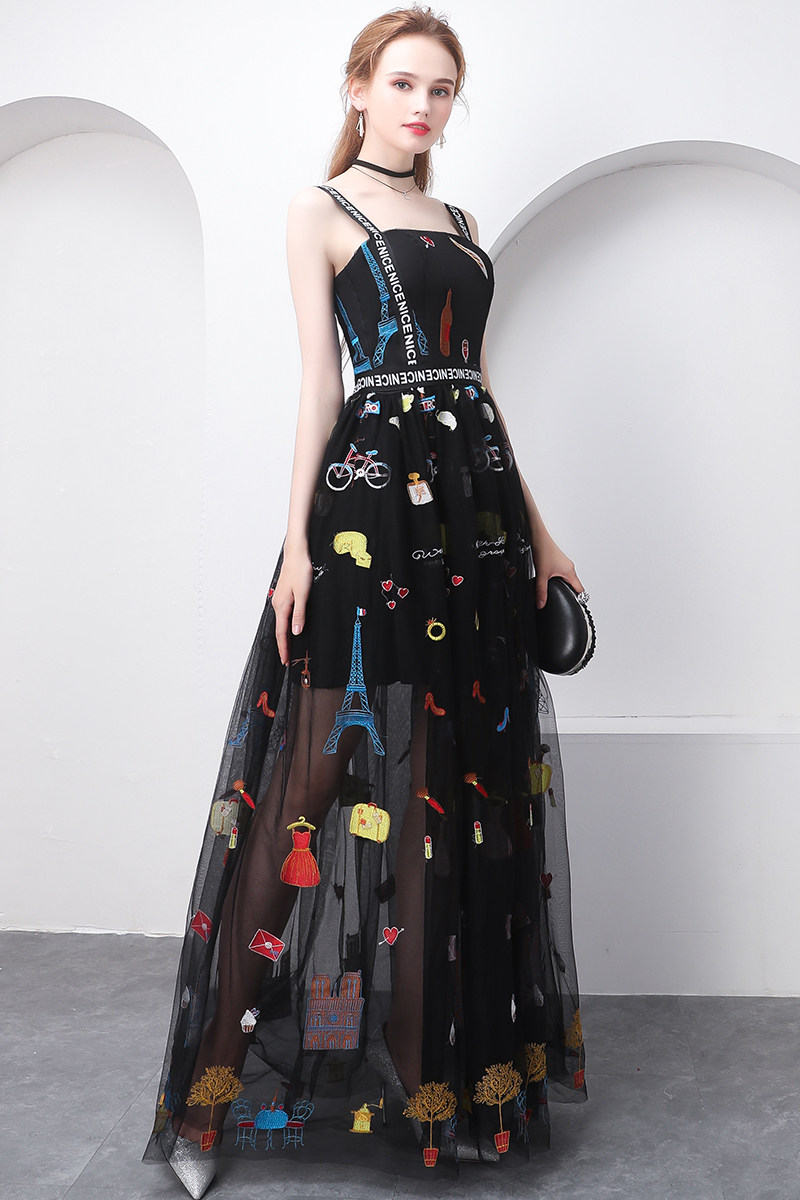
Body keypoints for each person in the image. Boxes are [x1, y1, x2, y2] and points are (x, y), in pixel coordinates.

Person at [142, 6, 588, 1196]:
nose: (422, 106)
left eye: (440, 89)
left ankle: (430, 1091)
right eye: (402, 84)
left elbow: (478, 388)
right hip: (368, 513)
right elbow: (316, 383)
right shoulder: (319, 208)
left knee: (440, 795)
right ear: (358, 89)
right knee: (305, 786)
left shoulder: (463, 225)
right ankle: (204, 1107)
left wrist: (541, 537)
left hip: (472, 526)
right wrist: (294, 544)